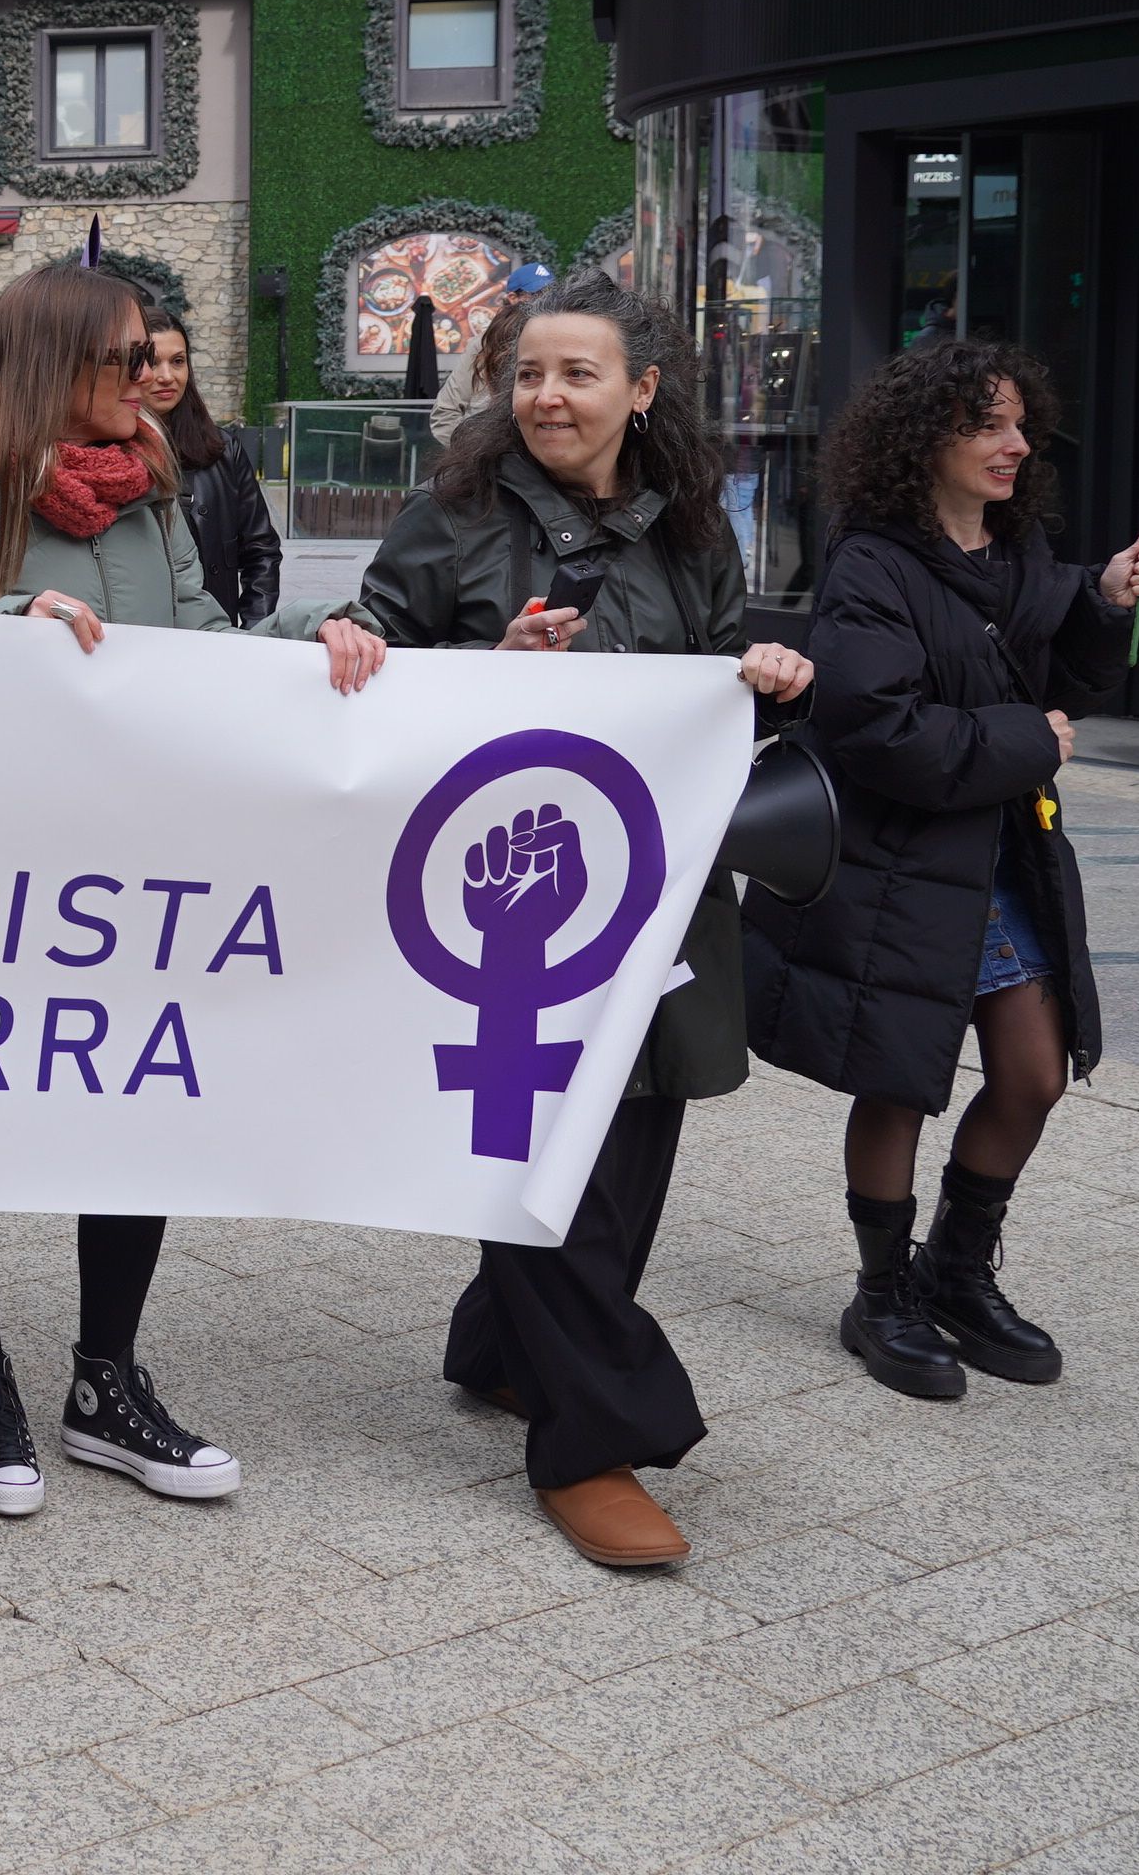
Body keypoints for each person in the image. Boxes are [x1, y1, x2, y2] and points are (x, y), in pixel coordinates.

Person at [0, 262, 386, 1520]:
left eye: (152, 353)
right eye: (124, 357)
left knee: (137, 1101)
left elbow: (197, 640)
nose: (151, 375)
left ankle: (106, 1378)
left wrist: (309, 637)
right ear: (50, 365)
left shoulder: (148, 488)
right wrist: (3, 633)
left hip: (127, 867)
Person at [339, 276, 816, 1570]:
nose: (546, 396)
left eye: (577, 374)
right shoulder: (453, 517)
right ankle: (594, 1437)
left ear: (641, 391)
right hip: (507, 924)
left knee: (635, 1157)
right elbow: (367, 666)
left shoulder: (697, 538)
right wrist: (463, 674)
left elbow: (721, 702)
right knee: (549, 1173)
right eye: (530, 374)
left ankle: (499, 1349)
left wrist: (763, 679)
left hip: (656, 918)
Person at [745, 339, 1139, 1404]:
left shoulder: (1020, 549)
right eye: (989, 424)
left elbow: (1063, 673)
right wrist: (1030, 738)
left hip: (1001, 851)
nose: (1016, 445)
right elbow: (877, 727)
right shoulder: (873, 561)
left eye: (1021, 423)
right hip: (897, 865)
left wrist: (1107, 599)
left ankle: (957, 1271)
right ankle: (881, 1294)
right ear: (924, 438)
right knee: (899, 1075)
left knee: (1032, 1071)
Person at [143, 303, 281, 624]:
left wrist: (252, 630)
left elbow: (261, 551)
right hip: (139, 637)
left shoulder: (222, 449)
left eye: (177, 361)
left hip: (213, 637)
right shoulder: (103, 452)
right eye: (152, 361)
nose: (167, 376)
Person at [431, 264, 553, 445]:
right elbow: (444, 415)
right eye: (536, 295)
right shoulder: (483, 346)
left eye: (552, 295)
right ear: (513, 298)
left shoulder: (558, 346)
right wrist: (480, 458)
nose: (546, 302)